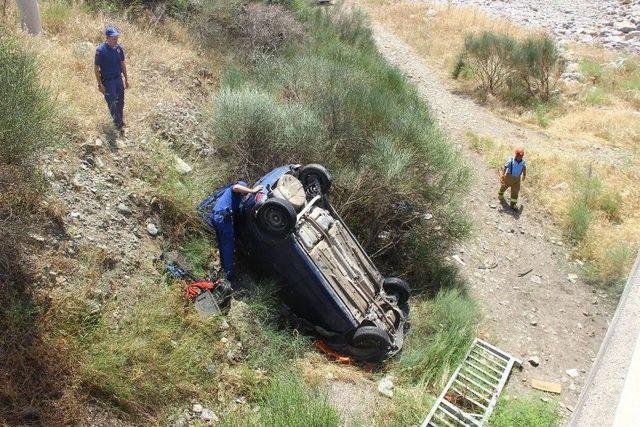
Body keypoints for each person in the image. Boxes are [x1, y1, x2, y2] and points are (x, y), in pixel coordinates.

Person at [212, 182, 263, 279]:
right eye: (244, 191)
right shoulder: (233, 190)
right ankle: (229, 273)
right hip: (222, 218)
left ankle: (225, 267)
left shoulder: (236, 199)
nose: (244, 194)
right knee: (228, 245)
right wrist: (253, 190)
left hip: (217, 217)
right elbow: (236, 187)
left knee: (223, 244)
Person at [94, 26, 130, 133]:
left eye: (117, 38)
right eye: (113, 38)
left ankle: (120, 121)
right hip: (108, 81)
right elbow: (96, 68)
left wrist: (126, 79)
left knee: (120, 101)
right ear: (107, 38)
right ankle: (118, 124)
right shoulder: (100, 50)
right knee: (112, 102)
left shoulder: (119, 48)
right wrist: (100, 84)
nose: (116, 41)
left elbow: (122, 64)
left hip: (118, 79)